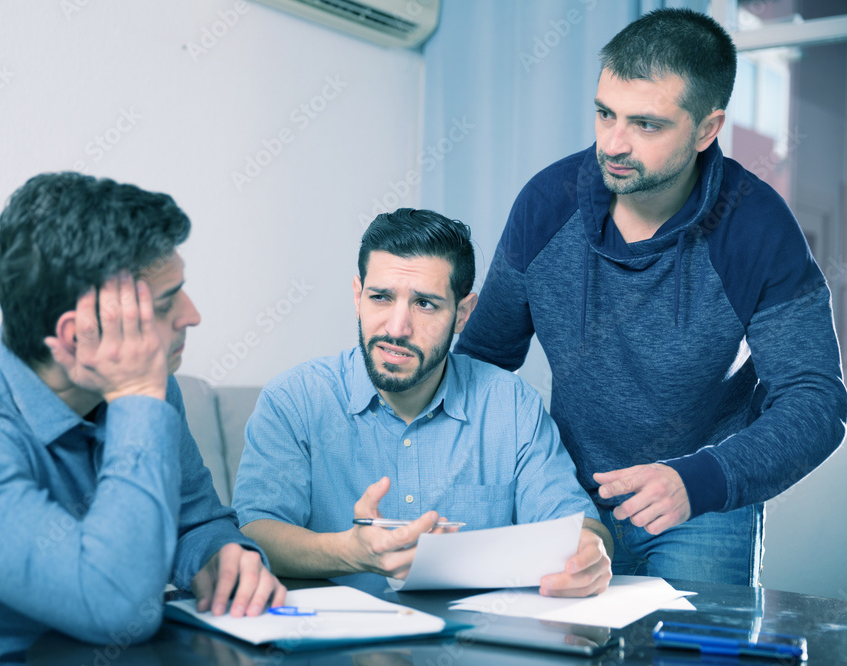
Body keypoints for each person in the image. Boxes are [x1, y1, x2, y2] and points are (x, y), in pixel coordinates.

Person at [454, 8, 847, 585]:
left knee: (689, 639)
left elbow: (817, 400)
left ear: (707, 129)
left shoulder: (757, 228)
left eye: (646, 124)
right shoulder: (545, 205)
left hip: (701, 504)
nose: (613, 144)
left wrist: (699, 480)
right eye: (605, 114)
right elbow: (483, 363)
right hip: (569, 498)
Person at [0, 173, 285, 664]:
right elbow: (115, 607)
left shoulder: (147, 391)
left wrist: (222, 557)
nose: (193, 315)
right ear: (78, 336)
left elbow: (196, 521)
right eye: (166, 302)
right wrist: (138, 403)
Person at [232, 208, 612, 596]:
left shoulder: (512, 406)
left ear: (462, 314)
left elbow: (576, 525)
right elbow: (256, 532)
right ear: (357, 296)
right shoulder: (294, 400)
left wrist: (590, 550)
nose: (397, 328)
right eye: (380, 297)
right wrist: (351, 552)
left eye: (425, 304)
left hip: (477, 631)